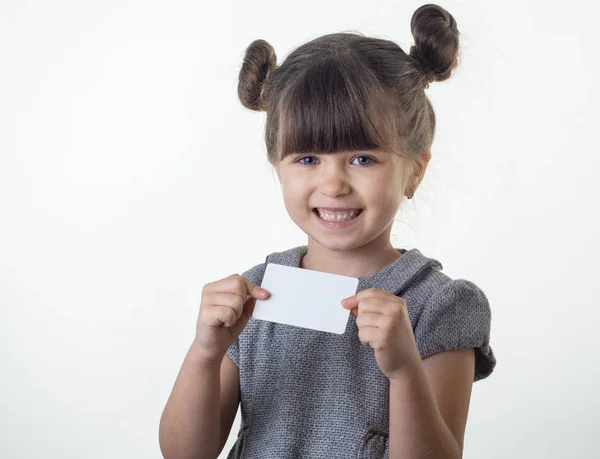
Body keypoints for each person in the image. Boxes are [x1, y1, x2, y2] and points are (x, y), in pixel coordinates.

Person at [159, 4, 496, 459]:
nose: (333, 184)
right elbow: (185, 453)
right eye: (307, 159)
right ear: (277, 167)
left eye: (363, 158)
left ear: (414, 172)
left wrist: (403, 371)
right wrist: (204, 352)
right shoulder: (256, 294)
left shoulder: (438, 306)